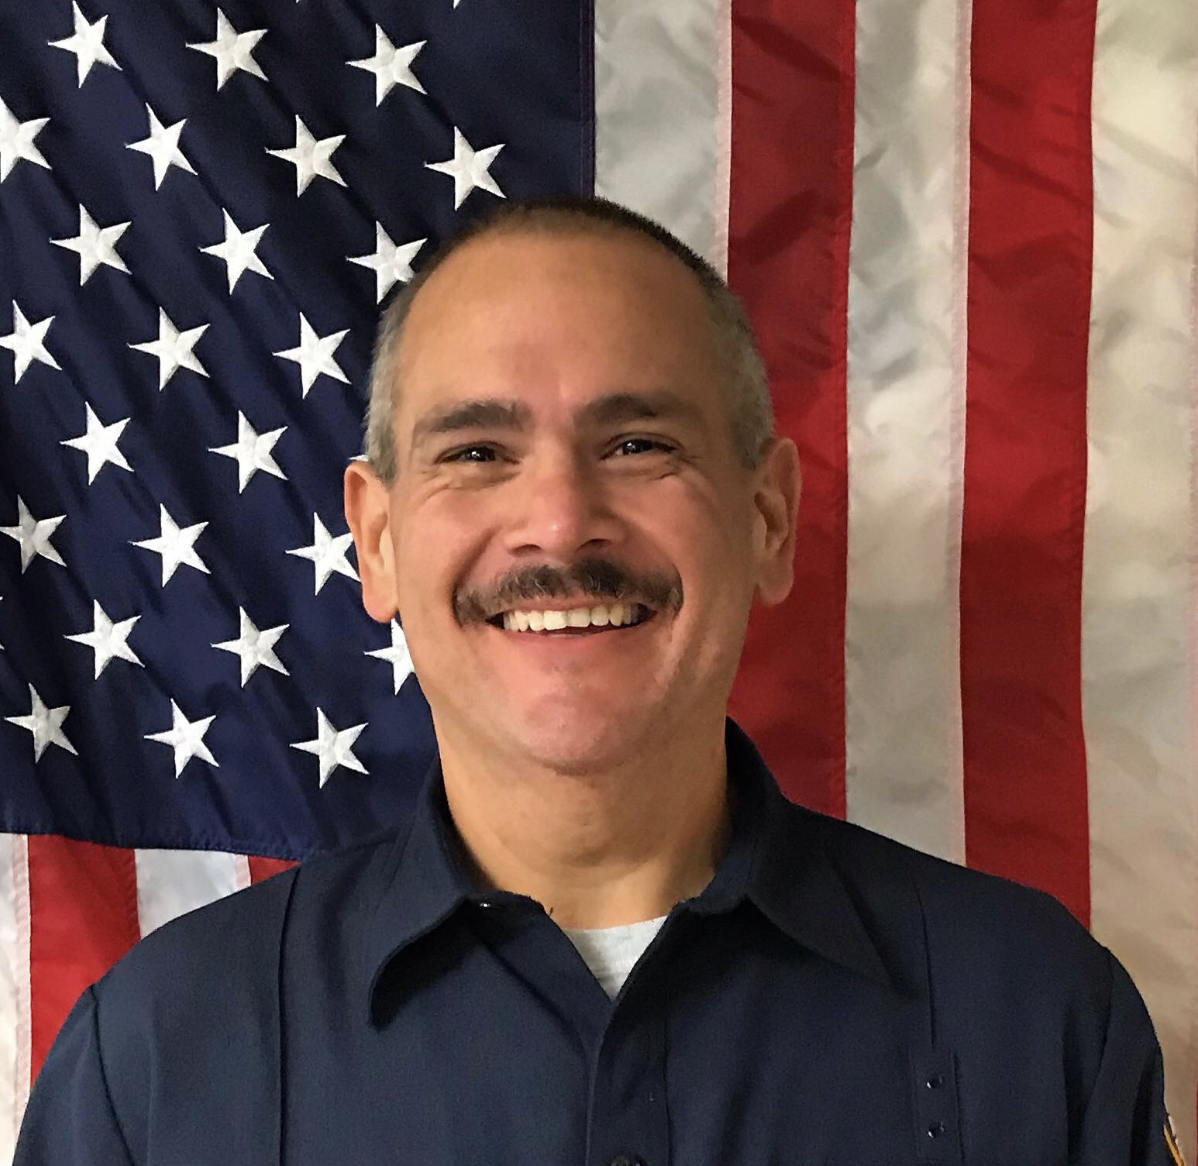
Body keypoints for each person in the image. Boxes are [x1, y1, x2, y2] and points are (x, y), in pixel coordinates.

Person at [15, 197, 1178, 1166]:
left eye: (638, 444)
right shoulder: (158, 1057)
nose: (561, 520)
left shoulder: (1035, 1018)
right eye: (477, 452)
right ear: (374, 541)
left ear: (767, 516)